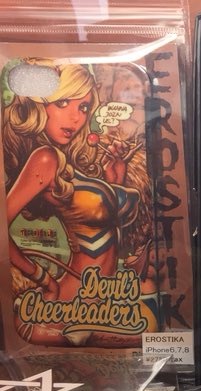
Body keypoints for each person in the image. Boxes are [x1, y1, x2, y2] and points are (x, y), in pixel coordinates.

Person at [2, 59, 155, 346]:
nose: (76, 117)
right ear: (40, 106)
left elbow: (103, 222)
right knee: (155, 340)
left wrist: (115, 180)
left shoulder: (69, 168)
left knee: (159, 341)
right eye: (63, 103)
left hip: (103, 302)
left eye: (83, 107)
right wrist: (43, 278)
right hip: (68, 305)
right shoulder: (44, 159)